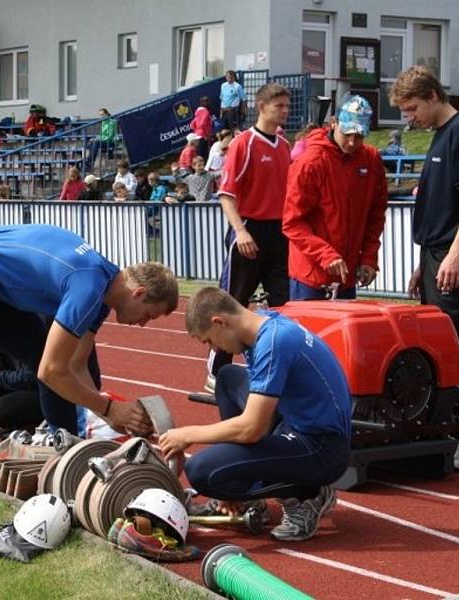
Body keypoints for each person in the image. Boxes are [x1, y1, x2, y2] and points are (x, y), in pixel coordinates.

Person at [0, 224, 178, 555]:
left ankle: (67, 481)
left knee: (49, 367)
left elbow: (73, 367)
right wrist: (110, 409)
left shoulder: (100, 293)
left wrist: (107, 411)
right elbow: (52, 371)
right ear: (139, 293)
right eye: (149, 316)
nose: (143, 324)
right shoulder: (88, 286)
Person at [159, 287, 351, 541]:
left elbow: (252, 429)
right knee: (227, 378)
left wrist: (188, 434)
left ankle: (308, 495)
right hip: (296, 422)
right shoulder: (263, 324)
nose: (214, 349)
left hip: (323, 448)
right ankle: (247, 494)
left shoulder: (273, 343)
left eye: (209, 340)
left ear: (219, 322)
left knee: (202, 471)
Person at [389, 65, 459, 470]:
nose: (409, 117)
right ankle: (447, 424)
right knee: (435, 344)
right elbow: (439, 207)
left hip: (452, 255)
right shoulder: (440, 136)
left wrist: (455, 253)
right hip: (434, 254)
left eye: (412, 108)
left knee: (453, 343)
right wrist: (423, 262)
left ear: (433, 95)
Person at [206, 82, 291, 393]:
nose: (284, 111)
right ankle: (218, 367)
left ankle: (276, 365)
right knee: (233, 301)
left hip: (279, 231)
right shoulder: (244, 144)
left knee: (283, 303)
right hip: (250, 228)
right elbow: (226, 194)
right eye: (279, 106)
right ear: (261, 106)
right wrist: (240, 230)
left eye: (286, 105)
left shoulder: (283, 145)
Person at [283, 95, 388, 300]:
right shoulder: (310, 163)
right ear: (334, 123)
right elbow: (292, 222)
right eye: (347, 133)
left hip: (346, 274)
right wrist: (324, 254)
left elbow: (375, 215)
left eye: (359, 136)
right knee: (307, 332)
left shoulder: (371, 159)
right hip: (311, 275)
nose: (352, 142)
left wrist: (368, 257)